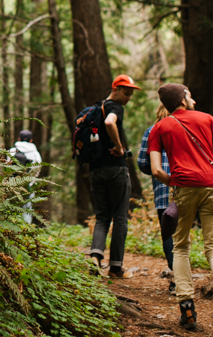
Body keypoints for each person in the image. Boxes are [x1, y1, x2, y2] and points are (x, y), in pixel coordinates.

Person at [147, 84, 213, 335]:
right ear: (182, 98)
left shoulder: (159, 128)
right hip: (212, 189)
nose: (195, 100)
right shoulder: (208, 119)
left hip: (183, 191)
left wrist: (176, 182)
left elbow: (157, 170)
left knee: (181, 247)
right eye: (190, 96)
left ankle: (187, 309)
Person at [87, 74, 140, 278]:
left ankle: (95, 257)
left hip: (95, 169)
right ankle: (116, 267)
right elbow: (110, 123)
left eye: (131, 94)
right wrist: (119, 148)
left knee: (102, 217)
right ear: (115, 89)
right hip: (115, 169)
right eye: (126, 93)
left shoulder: (95, 109)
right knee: (119, 218)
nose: (128, 98)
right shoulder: (114, 108)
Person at [136, 103, 175, 294]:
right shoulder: (184, 127)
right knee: (182, 233)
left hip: (162, 188)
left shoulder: (152, 131)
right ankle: (183, 278)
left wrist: (153, 170)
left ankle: (176, 275)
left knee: (168, 233)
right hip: (186, 186)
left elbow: (142, 162)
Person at [9, 129, 42, 223]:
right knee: (27, 206)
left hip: (13, 182)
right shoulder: (35, 153)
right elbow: (38, 168)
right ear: (31, 140)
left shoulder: (12, 150)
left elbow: (7, 165)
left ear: (19, 139)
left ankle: (13, 225)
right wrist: (32, 179)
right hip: (29, 183)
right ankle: (26, 227)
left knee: (12, 205)